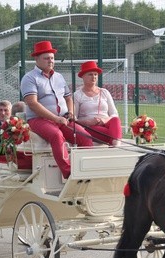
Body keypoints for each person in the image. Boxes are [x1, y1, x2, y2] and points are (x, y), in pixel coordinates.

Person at [20, 40, 94, 179]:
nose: (50, 61)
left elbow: (68, 98)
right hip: (38, 119)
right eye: (46, 58)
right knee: (56, 135)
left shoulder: (59, 77)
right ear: (36, 59)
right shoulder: (29, 78)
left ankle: (85, 170)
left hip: (63, 118)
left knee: (85, 137)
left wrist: (71, 113)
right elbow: (33, 104)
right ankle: (69, 173)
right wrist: (55, 118)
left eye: (52, 58)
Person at [73, 61, 122, 145]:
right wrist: (88, 122)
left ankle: (115, 143)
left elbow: (114, 114)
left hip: (106, 123)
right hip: (89, 127)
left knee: (116, 120)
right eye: (90, 74)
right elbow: (74, 119)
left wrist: (104, 120)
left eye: (95, 74)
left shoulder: (104, 92)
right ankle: (116, 144)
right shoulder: (77, 95)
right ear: (83, 76)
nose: (94, 77)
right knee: (111, 134)